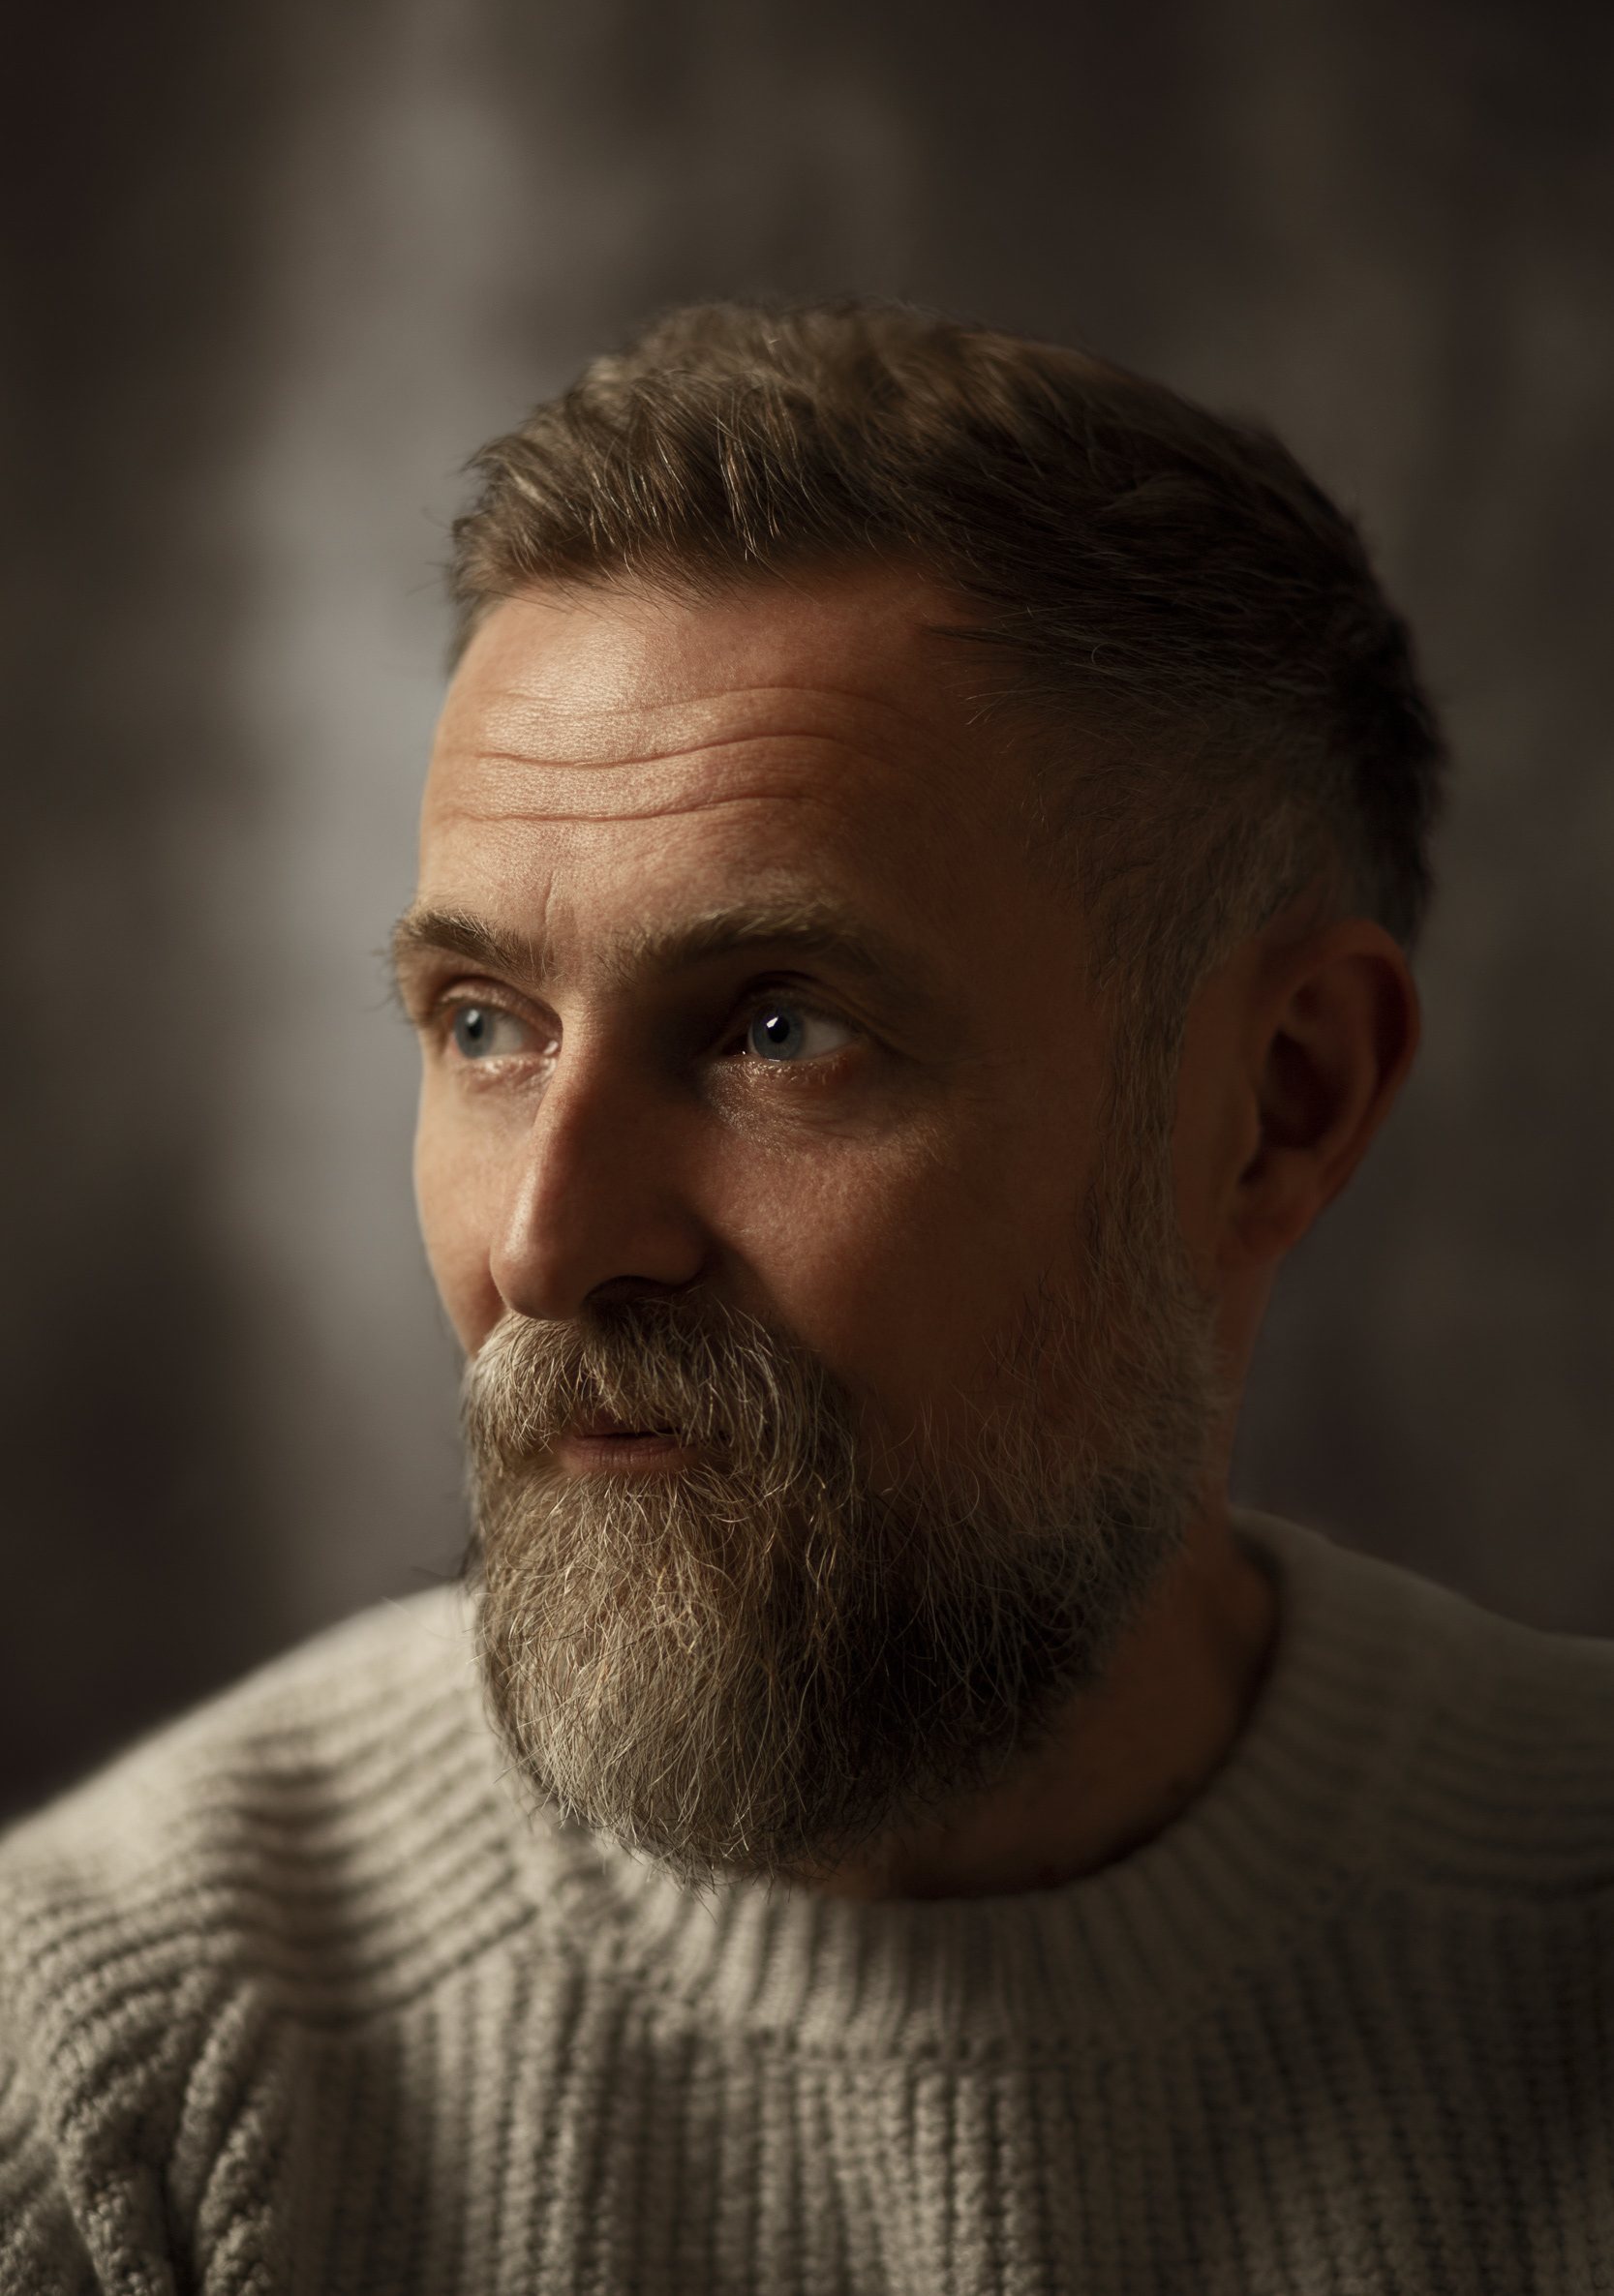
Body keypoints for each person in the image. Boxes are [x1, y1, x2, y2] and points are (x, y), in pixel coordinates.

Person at [1, 302, 1608, 2296]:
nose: (543, 1239)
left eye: (779, 1026)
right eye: (485, 1022)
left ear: (1278, 1105)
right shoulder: (116, 2053)